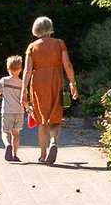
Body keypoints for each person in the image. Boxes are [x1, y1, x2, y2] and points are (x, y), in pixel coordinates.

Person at [22, 16, 78, 166]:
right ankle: (53, 142)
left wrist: (23, 91)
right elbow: (67, 65)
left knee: (41, 120)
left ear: (36, 29)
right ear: (50, 28)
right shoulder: (59, 44)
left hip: (38, 83)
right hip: (55, 81)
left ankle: (42, 155)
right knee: (55, 116)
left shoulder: (32, 47)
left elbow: (27, 71)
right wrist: (73, 83)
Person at [0, 55, 27, 162]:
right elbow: (24, 100)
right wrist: (29, 109)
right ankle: (15, 155)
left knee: (5, 132)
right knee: (16, 134)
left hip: (7, 111)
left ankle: (7, 145)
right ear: (20, 69)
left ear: (8, 69)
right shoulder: (22, 83)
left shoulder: (4, 81)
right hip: (20, 112)